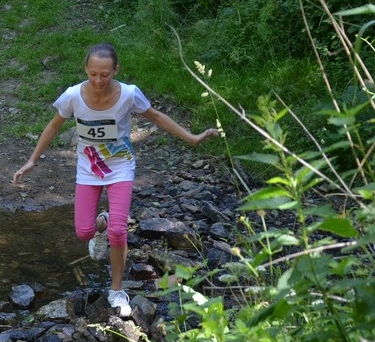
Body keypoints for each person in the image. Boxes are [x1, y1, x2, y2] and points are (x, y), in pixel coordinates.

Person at [11, 43, 219, 317]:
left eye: (105, 74)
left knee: (119, 232)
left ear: (116, 70)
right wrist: (32, 160)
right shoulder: (73, 96)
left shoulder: (129, 94)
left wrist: (192, 138)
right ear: (85, 69)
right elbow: (53, 125)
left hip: (121, 167)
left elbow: (156, 116)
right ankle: (104, 221)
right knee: (84, 232)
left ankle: (117, 290)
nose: (98, 80)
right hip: (89, 170)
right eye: (93, 74)